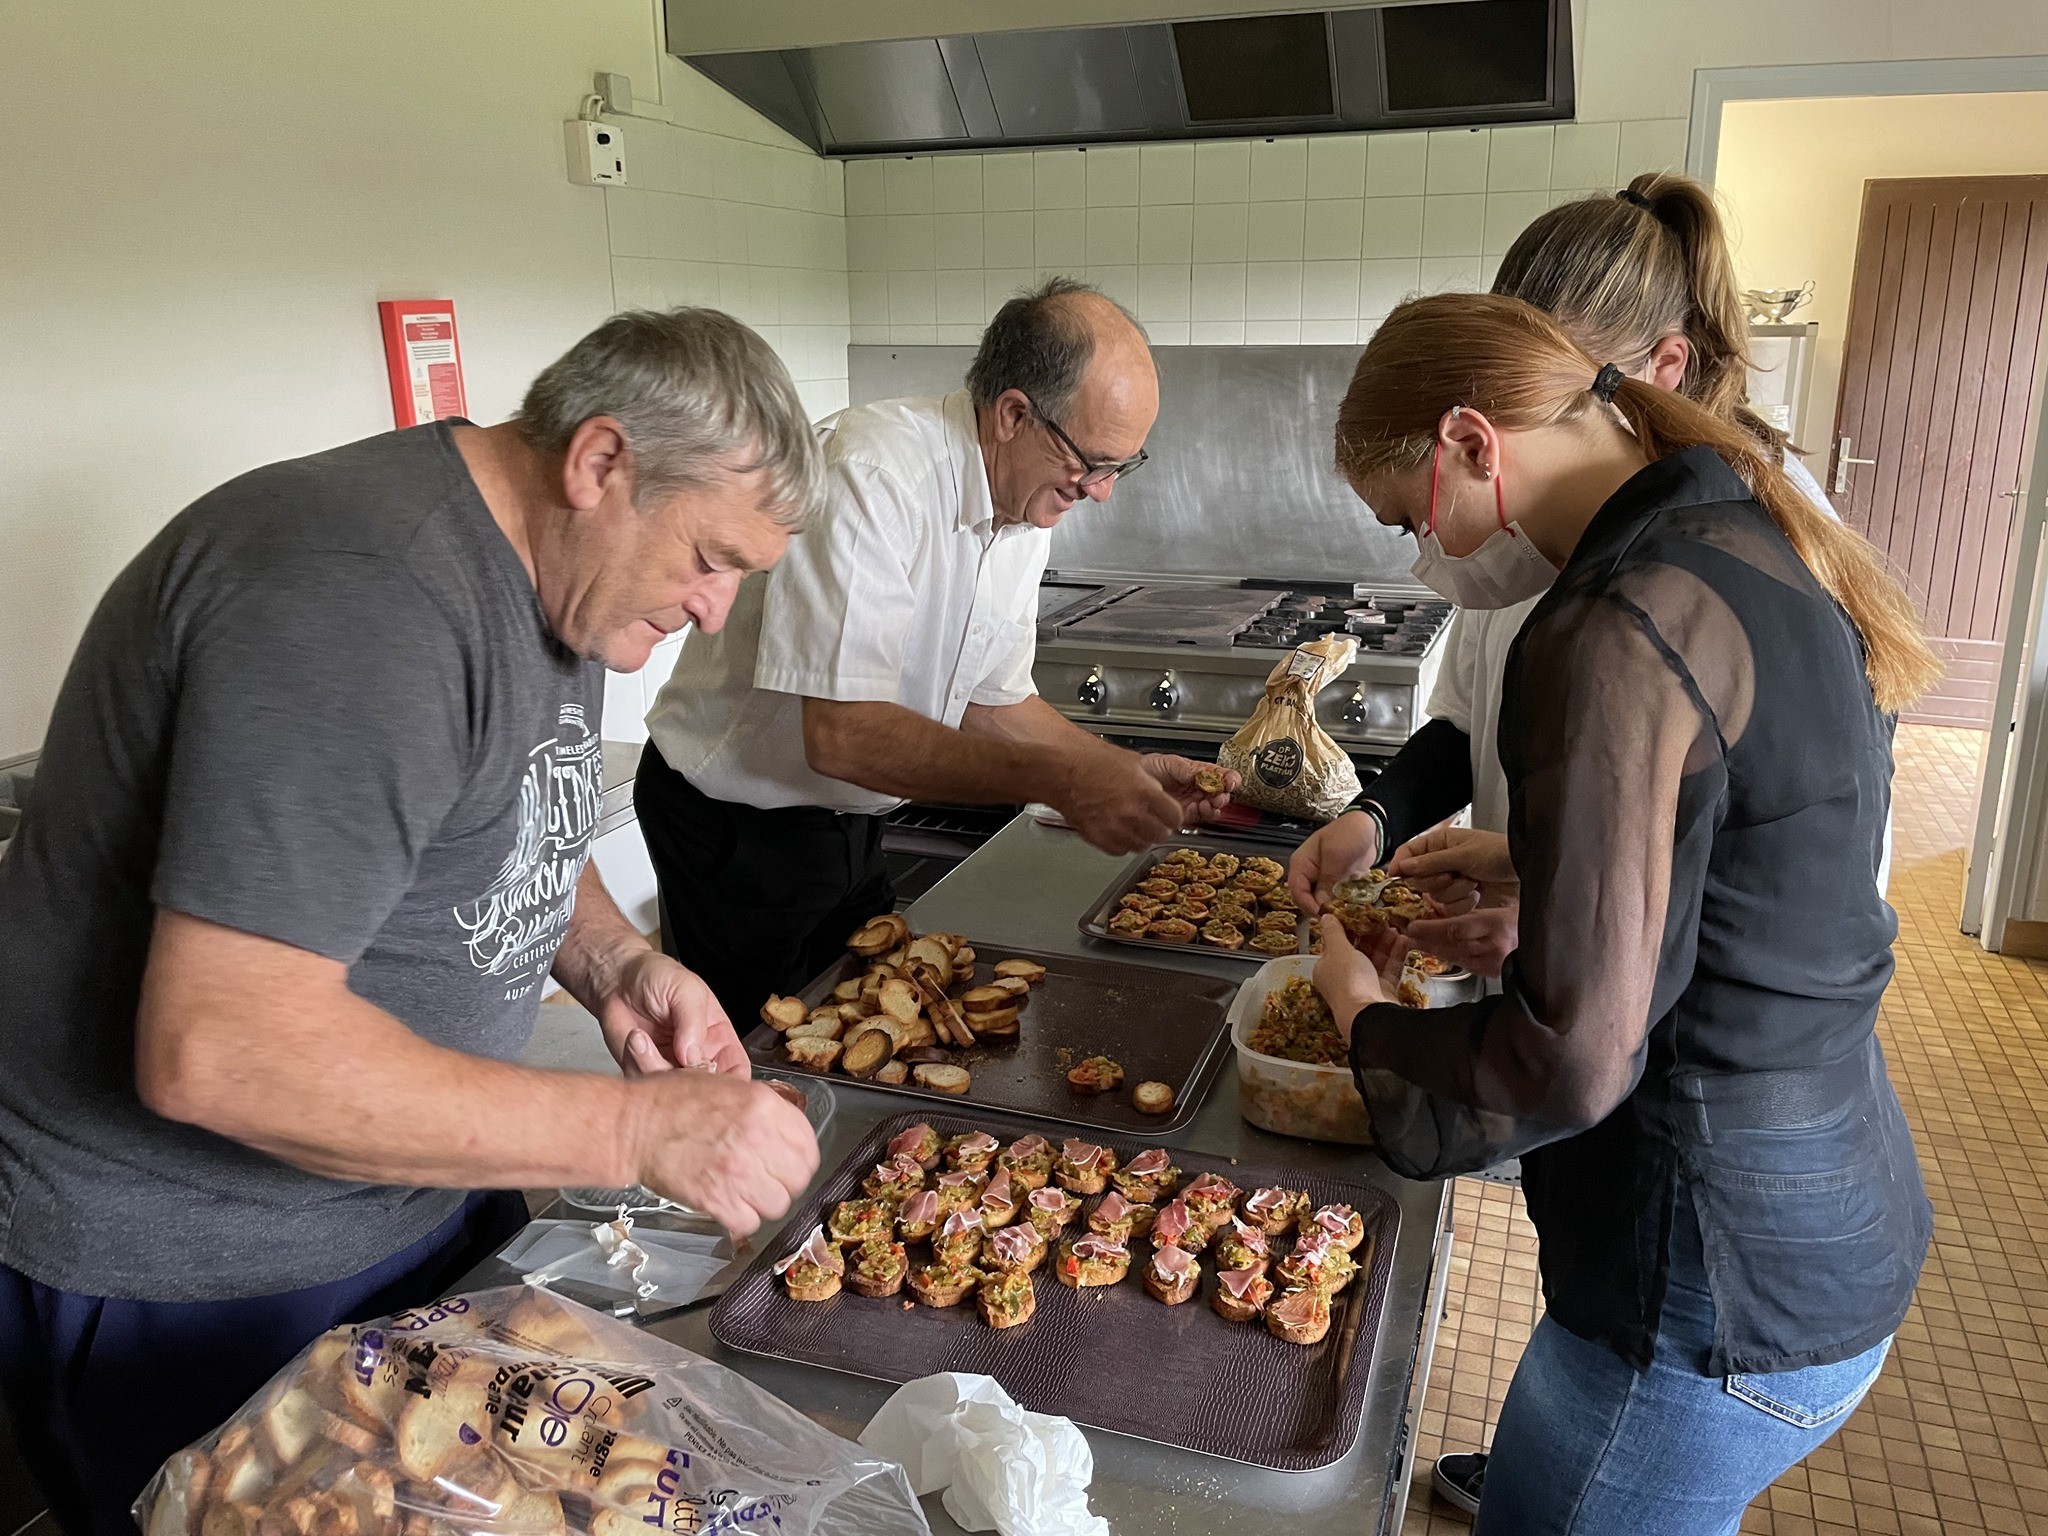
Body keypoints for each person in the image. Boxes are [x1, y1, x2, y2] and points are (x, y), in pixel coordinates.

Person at [0, 307, 824, 1536]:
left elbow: (510, 818)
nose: (714, 611)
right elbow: (224, 1051)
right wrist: (636, 1131)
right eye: (710, 558)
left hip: (415, 1202)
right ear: (600, 463)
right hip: (201, 1271)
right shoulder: (357, 593)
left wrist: (613, 961)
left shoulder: (558, 573)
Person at [1287, 171, 1879, 1516]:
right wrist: (1544, 866)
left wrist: (1365, 1021)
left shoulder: (1613, 622)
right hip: (1815, 1224)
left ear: (1472, 440)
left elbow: (1568, 1059)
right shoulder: (1726, 525)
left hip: (1714, 1274)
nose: (1420, 549)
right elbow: (1753, 865)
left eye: (1406, 513)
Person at [1290, 173, 1862, 994]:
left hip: (1676, 1024)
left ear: (1665, 366)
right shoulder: (1533, 507)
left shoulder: (1739, 543)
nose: (1529, 428)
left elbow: (1778, 855)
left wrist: (1564, 927)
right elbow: (1469, 716)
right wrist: (1377, 822)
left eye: (1558, 387)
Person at [638, 277, 1233, 1027]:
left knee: (869, 1027)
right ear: (1015, 414)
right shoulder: (874, 473)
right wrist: (1068, 781)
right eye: (1095, 463)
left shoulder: (1024, 502)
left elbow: (994, 700)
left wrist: (1114, 766)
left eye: (1121, 466)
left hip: (851, 826)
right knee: (752, 1069)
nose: (1102, 491)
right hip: (736, 832)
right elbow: (844, 734)